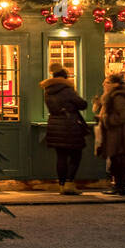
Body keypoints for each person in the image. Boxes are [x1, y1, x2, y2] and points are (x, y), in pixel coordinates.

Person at [42, 62, 87, 194]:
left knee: (61, 156)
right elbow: (82, 104)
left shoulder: (48, 91)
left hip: (54, 124)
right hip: (70, 125)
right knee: (76, 155)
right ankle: (69, 183)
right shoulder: (67, 90)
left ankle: (61, 185)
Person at [96, 73, 125, 196]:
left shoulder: (119, 97)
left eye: (107, 82)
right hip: (117, 135)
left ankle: (121, 186)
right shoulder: (112, 97)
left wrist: (107, 119)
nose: (104, 84)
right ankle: (119, 186)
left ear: (116, 84)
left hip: (121, 136)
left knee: (119, 161)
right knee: (116, 161)